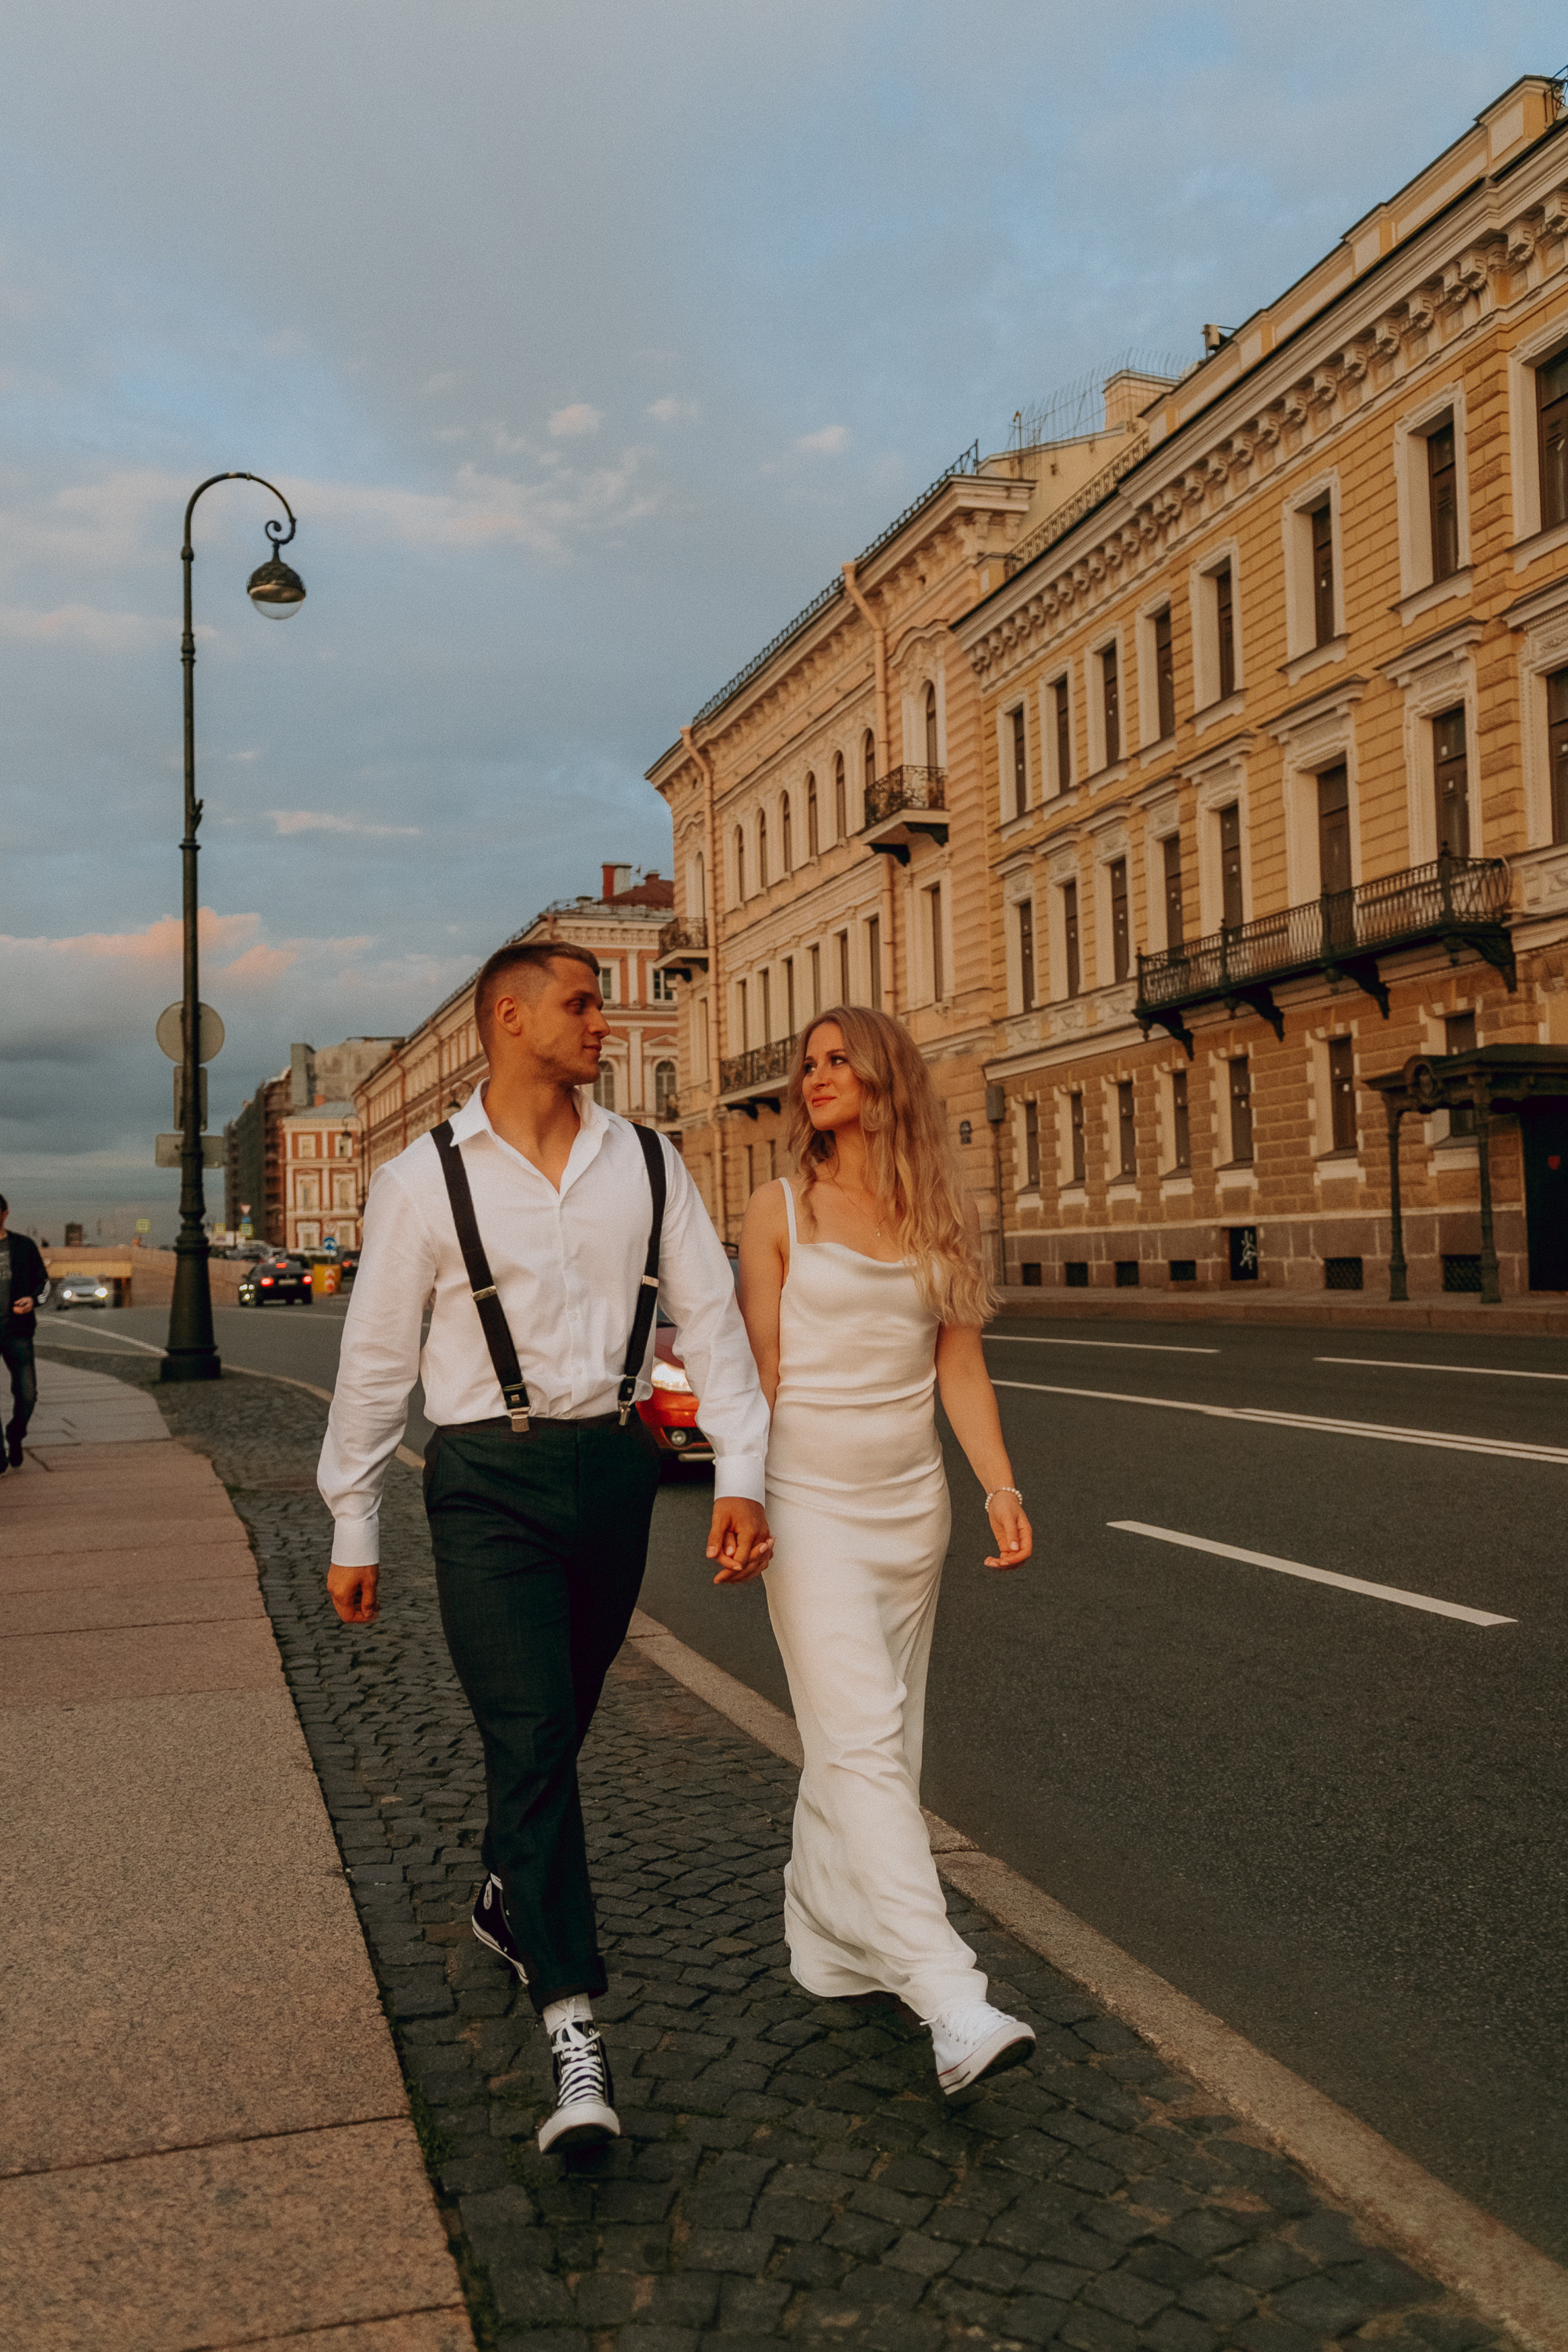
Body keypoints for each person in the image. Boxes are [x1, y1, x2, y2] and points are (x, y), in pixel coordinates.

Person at [318, 942, 772, 2152]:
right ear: (510, 1019)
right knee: (527, 1734)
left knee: (555, 1726)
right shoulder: (423, 1181)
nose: (605, 1024)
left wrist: (741, 1470)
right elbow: (374, 1359)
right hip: (485, 1481)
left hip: (615, 1469)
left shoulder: (648, 1159)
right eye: (582, 1004)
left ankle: (505, 1890)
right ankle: (573, 2027)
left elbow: (711, 1317)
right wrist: (353, 1515)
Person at [733, 1005, 1036, 2103]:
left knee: (876, 1745)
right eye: (804, 1061)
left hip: (912, 1514)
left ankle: (827, 1938)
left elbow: (960, 1368)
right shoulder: (778, 1211)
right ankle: (950, 1997)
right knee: (860, 1739)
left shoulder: (938, 1209)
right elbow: (758, 1368)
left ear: (883, 1076)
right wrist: (744, 1497)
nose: (814, 1075)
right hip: (809, 1504)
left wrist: (997, 1483)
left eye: (834, 1059)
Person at [0, 1196, 49, 1473]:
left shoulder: (23, 1247)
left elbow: (43, 1284)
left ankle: (15, 1435)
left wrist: (33, 1300)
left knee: (27, 1394)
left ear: (5, 1214)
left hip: (18, 1331)